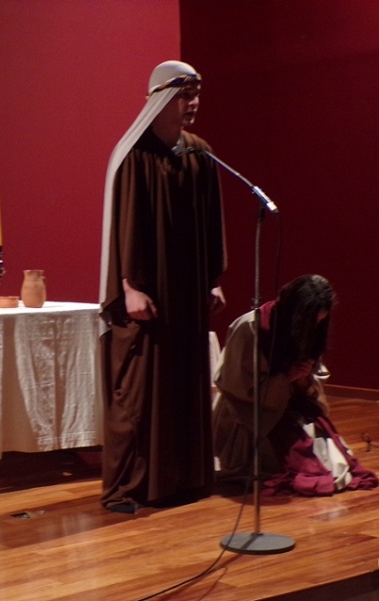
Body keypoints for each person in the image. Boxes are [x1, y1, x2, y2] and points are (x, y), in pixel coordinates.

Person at [99, 60, 226, 512]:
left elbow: (211, 221)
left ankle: (183, 479)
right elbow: (124, 225)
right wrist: (129, 286)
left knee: (184, 385)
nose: (193, 103)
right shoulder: (134, 154)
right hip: (147, 293)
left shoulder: (199, 153)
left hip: (187, 293)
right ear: (161, 99)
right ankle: (128, 486)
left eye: (196, 94)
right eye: (184, 95)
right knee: (139, 391)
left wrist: (213, 279)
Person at [213, 274, 378, 495]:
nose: (314, 327)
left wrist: (304, 377)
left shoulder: (311, 326)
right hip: (253, 412)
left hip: (291, 402)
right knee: (301, 465)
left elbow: (313, 381)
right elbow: (237, 385)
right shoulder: (250, 327)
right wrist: (286, 378)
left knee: (333, 463)